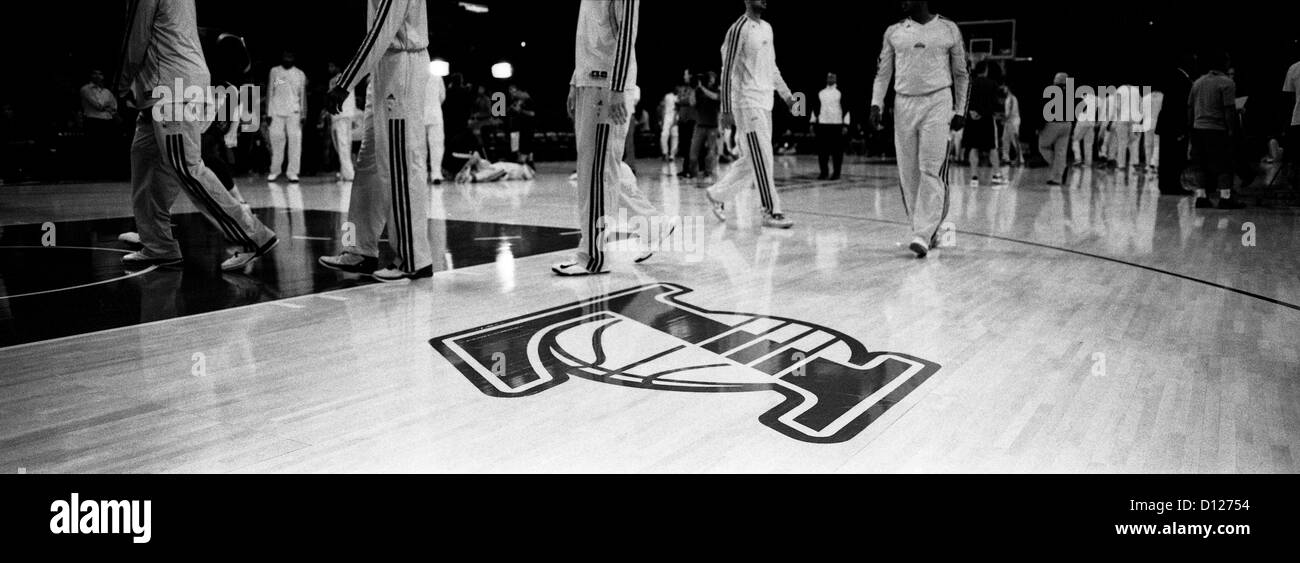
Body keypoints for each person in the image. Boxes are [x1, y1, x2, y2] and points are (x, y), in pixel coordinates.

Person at [116, 0, 278, 271]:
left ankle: (253, 237)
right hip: (160, 89)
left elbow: (136, 40)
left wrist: (119, 87)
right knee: (146, 168)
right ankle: (159, 246)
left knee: (188, 168)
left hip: (171, 87)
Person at [320, 0, 435, 282]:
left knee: (401, 163)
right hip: (384, 67)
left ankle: (414, 258)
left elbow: (380, 31)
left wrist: (345, 82)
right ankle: (359, 250)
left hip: (401, 66)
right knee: (369, 163)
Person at [554, 0, 670, 276]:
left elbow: (627, 33)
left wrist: (617, 88)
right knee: (603, 168)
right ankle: (653, 224)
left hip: (606, 86)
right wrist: (574, 81)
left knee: (596, 172)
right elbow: (587, 39)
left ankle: (592, 256)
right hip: (588, 83)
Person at [870, 0, 968, 258]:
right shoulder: (893, 32)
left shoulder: (948, 29)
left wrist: (960, 109)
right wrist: (876, 104)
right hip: (903, 103)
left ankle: (922, 234)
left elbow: (961, 73)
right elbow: (882, 73)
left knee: (930, 168)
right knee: (908, 172)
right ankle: (926, 230)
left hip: (938, 101)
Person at [705, 0, 797, 230]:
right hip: (746, 101)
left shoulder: (767, 28)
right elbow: (726, 70)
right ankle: (770, 210)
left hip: (766, 101)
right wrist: (725, 108)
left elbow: (772, 67)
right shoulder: (738, 29)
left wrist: (787, 95)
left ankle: (717, 194)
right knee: (763, 157)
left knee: (752, 160)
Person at [1189, 51, 1245, 209]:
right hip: (1217, 129)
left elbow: (1190, 108)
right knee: (1224, 165)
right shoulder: (1227, 83)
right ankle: (1225, 198)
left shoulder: (1198, 82)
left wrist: (1191, 128)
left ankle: (1201, 197)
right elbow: (1229, 109)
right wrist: (1232, 130)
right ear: (1224, 63)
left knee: (1200, 164)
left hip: (1198, 128)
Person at [1157, 52, 1196, 194]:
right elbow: (1179, 106)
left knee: (1167, 156)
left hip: (1167, 124)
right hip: (1175, 125)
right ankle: (1172, 185)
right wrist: (1181, 128)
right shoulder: (1181, 78)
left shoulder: (1175, 76)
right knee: (1174, 156)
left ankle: (1166, 184)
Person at [266, 51, 307, 182]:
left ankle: (292, 173)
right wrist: (268, 112)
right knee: (276, 141)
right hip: (276, 111)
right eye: (285, 56)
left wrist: (304, 113)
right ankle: (275, 170)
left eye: (290, 56)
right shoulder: (275, 71)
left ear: (294, 58)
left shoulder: (300, 74)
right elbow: (269, 91)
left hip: (294, 112)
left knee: (295, 142)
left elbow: (303, 95)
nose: (287, 58)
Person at [963, 61, 1004, 186]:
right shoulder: (992, 84)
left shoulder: (969, 84)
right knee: (992, 147)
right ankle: (997, 175)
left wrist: (971, 112)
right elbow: (994, 104)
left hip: (971, 119)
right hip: (986, 119)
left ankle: (974, 177)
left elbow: (963, 100)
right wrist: (982, 112)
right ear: (986, 70)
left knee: (973, 147)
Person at [80, 69, 121, 179]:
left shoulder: (106, 91)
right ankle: (94, 174)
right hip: (93, 120)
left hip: (106, 120)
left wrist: (107, 107)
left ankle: (106, 173)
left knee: (106, 148)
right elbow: (98, 105)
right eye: (95, 73)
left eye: (100, 73)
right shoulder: (86, 89)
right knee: (94, 148)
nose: (98, 76)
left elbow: (114, 106)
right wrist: (106, 106)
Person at [812, 72, 849, 180]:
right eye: (829, 76)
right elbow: (815, 109)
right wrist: (812, 122)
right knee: (822, 151)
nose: (830, 78)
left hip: (836, 125)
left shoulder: (840, 92)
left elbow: (847, 109)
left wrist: (846, 125)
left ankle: (836, 173)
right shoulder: (821, 93)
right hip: (823, 124)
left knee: (837, 152)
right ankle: (824, 172)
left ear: (836, 78)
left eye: (832, 76)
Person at [1039, 73, 1074, 186]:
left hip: (1053, 122)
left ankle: (1060, 169)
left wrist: (1039, 126)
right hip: (1067, 123)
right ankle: (1057, 178)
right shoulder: (1070, 91)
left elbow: (1045, 108)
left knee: (1043, 146)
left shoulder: (1052, 90)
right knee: (1061, 151)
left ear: (1058, 80)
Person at [327, 61, 359, 182]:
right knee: (346, 144)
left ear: (337, 66)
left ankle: (349, 173)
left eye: (331, 66)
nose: (330, 68)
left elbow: (332, 99)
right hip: (348, 114)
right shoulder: (349, 77)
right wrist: (354, 115)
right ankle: (345, 172)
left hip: (339, 115)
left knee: (342, 145)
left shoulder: (335, 80)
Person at [690, 71, 722, 182]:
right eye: (710, 77)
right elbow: (692, 103)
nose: (712, 79)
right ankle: (694, 173)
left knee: (711, 152)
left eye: (714, 77)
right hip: (699, 125)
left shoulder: (717, 90)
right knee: (693, 154)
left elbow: (715, 97)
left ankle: (709, 173)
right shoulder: (698, 91)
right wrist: (695, 89)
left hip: (712, 126)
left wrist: (702, 88)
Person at [425, 67, 446, 184]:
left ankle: (421, 174)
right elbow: (442, 96)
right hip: (435, 114)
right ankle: (436, 173)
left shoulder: (414, 74)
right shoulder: (437, 76)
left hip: (418, 115)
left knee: (419, 148)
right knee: (436, 145)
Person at [675, 69, 698, 177]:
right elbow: (679, 99)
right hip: (683, 120)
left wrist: (681, 100)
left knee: (691, 145)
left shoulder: (695, 88)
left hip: (691, 120)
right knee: (684, 145)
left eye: (686, 74)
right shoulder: (683, 88)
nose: (684, 76)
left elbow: (690, 101)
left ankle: (692, 169)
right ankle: (685, 168)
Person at [507, 84, 535, 164]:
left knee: (526, 146)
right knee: (515, 146)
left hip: (526, 127)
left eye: (514, 91)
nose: (513, 93)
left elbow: (532, 114)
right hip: (514, 127)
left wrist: (521, 111)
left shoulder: (528, 100)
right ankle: (516, 161)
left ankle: (529, 163)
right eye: (510, 91)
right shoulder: (513, 100)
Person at [1284, 54, 1300, 185]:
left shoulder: (1294, 68)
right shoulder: (1294, 68)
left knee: (1297, 159)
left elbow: (1288, 98)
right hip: (1297, 118)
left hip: (1298, 118)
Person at [1072, 89, 1097, 167]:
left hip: (1083, 121)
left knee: (1075, 140)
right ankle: (1088, 162)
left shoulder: (1083, 97)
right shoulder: (1096, 99)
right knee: (1088, 143)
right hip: (1091, 123)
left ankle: (1078, 158)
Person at [999, 84, 1022, 166]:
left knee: (1014, 140)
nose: (1003, 89)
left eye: (1004, 87)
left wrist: (1003, 118)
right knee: (1005, 139)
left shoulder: (1011, 98)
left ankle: (1020, 159)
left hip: (1013, 122)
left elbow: (1009, 113)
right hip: (1008, 122)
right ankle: (1006, 158)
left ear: (1008, 88)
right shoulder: (1008, 99)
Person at [659, 89, 678, 162]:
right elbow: (663, 108)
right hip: (667, 116)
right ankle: (665, 152)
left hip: (675, 117)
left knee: (675, 136)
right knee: (664, 135)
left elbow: (677, 109)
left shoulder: (679, 96)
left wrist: (675, 119)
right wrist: (663, 119)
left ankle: (672, 155)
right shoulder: (667, 96)